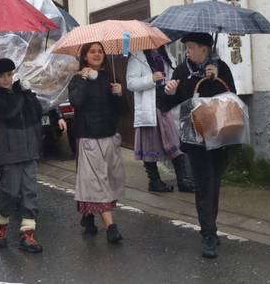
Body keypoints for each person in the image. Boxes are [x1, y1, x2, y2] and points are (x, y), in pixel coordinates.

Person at [159, 32, 236, 259]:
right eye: (187, 47)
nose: (188, 51)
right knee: (203, 184)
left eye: (191, 47)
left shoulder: (220, 67)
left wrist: (217, 79)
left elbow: (232, 96)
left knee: (214, 183)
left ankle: (210, 224)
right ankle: (208, 235)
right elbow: (166, 105)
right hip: (195, 137)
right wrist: (168, 91)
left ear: (205, 49)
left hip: (220, 135)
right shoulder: (182, 71)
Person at [69, 42, 127, 243]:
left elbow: (122, 111)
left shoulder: (110, 79)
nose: (97, 54)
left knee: (108, 180)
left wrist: (119, 94)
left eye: (100, 51)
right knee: (96, 181)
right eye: (92, 51)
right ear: (85, 56)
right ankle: (111, 226)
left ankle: (88, 215)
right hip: (88, 137)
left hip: (109, 136)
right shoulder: (78, 79)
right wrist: (84, 78)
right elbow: (76, 101)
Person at [0, 58, 43, 253]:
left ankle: (27, 235)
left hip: (29, 150)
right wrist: (20, 92)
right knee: (10, 193)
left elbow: (37, 112)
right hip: (9, 152)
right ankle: (1, 225)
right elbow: (9, 111)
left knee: (30, 191)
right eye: (2, 76)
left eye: (10, 74)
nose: (7, 79)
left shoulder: (20, 93)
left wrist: (29, 93)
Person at [126, 47, 194, 193]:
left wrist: (172, 88)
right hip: (149, 106)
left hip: (166, 104)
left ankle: (183, 180)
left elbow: (173, 78)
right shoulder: (137, 57)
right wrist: (151, 79)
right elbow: (131, 83)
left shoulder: (167, 54)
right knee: (149, 144)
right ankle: (154, 181)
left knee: (175, 142)